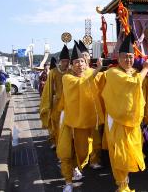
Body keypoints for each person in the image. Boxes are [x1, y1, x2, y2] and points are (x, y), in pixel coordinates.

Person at [100, 32, 148, 192]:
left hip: (132, 120)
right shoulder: (113, 73)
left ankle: (124, 181)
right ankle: (122, 186)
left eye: (131, 57)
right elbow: (133, 83)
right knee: (119, 154)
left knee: (131, 150)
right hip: (116, 120)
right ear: (118, 58)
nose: (128, 60)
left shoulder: (134, 72)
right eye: (125, 57)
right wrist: (145, 68)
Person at [57, 43, 104, 192]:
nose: (79, 64)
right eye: (76, 62)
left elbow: (110, 82)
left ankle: (76, 166)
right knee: (65, 151)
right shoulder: (67, 78)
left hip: (85, 121)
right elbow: (82, 83)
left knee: (83, 153)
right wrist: (97, 70)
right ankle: (68, 182)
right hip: (68, 120)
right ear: (71, 65)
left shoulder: (93, 74)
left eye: (81, 61)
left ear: (86, 62)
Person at [76, 40, 103, 170]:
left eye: (86, 56)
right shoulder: (74, 75)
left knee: (96, 138)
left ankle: (94, 160)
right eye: (82, 57)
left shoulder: (94, 71)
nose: (85, 58)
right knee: (82, 139)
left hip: (95, 110)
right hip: (81, 111)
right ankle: (81, 161)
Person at [40, 46, 70, 149]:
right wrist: (47, 104)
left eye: (67, 61)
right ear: (60, 61)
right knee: (56, 125)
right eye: (64, 61)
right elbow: (48, 89)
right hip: (57, 103)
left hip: (69, 103)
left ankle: (67, 147)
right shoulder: (53, 72)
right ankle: (58, 145)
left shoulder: (71, 71)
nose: (66, 63)